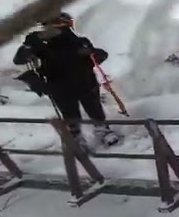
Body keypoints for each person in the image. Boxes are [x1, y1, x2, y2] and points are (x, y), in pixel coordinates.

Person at [13, 12, 121, 147]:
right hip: (58, 82)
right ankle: (76, 136)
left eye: (55, 26)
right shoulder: (41, 45)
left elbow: (97, 57)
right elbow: (19, 60)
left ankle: (102, 130)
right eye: (47, 26)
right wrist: (28, 47)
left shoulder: (80, 42)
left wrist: (93, 54)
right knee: (69, 111)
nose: (50, 30)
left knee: (93, 106)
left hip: (84, 80)